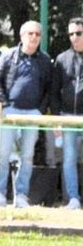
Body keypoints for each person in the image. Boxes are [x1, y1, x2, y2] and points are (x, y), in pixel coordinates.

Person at [0, 20, 52, 208]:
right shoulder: (8, 56)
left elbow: (49, 88)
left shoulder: (44, 60)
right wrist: (5, 104)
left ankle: (22, 195)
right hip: (9, 111)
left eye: (37, 34)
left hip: (32, 113)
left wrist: (40, 110)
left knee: (27, 155)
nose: (33, 37)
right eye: (30, 33)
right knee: (2, 154)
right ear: (21, 36)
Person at [51, 16, 83, 210]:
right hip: (67, 117)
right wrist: (56, 119)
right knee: (69, 159)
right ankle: (73, 198)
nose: (74, 37)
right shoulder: (62, 59)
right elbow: (54, 92)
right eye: (71, 33)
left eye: (78, 33)